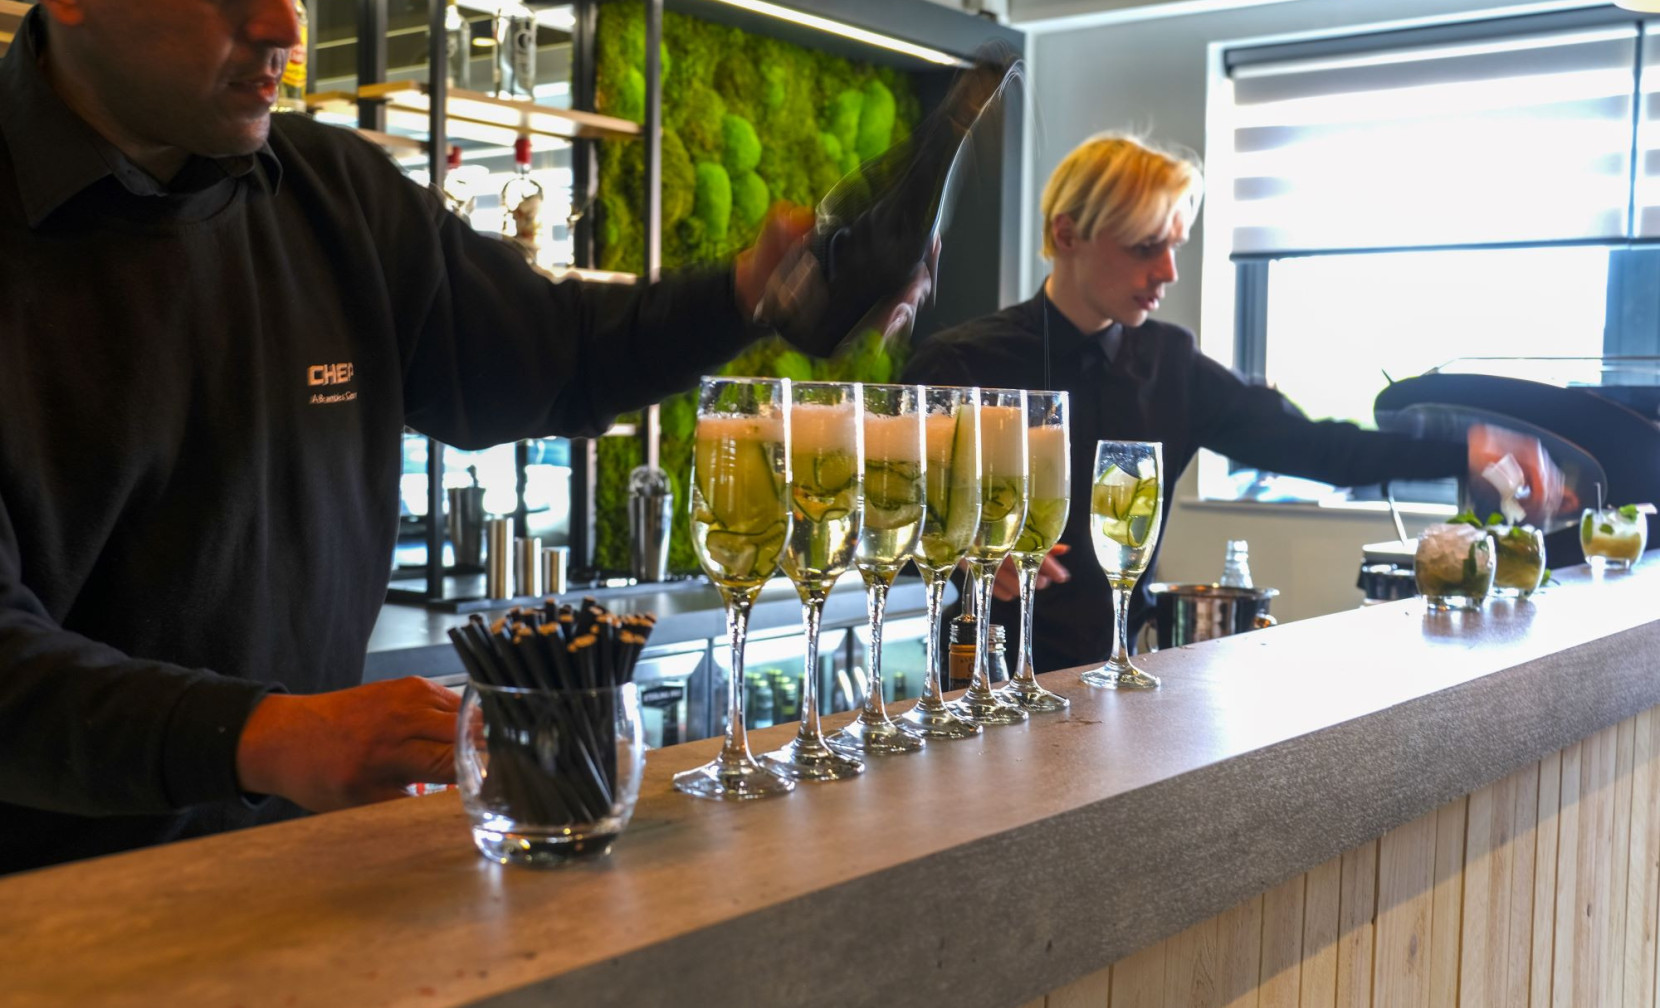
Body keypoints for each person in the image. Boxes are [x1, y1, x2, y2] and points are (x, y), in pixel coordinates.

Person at [0, 0, 930, 874]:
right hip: (49, 913)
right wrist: (263, 737)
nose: (286, 21)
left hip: (309, 880)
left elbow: (550, 356)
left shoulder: (333, 194)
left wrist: (748, 292)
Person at [901, 132, 1564, 673]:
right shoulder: (961, 364)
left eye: (1175, 247)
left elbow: (1313, 447)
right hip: (974, 686)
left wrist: (1466, 448)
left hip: (1115, 683)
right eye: (1145, 247)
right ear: (1068, 234)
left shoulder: (1172, 363)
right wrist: (962, 550)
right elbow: (893, 523)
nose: (1168, 272)